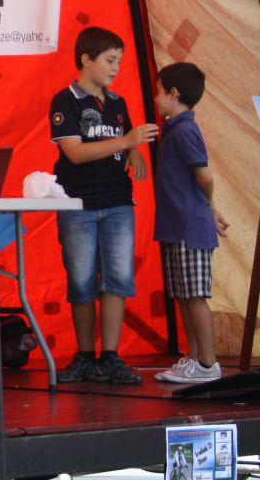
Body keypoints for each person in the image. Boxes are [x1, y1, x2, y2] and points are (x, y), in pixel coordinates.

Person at [49, 26, 158, 385]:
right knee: (81, 281)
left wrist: (134, 151)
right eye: (110, 60)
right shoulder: (64, 100)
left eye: (120, 62)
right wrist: (126, 142)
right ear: (86, 59)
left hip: (118, 202)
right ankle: (84, 356)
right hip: (78, 204)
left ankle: (110, 357)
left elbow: (124, 138)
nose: (116, 68)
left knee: (118, 279)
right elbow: (75, 152)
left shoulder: (117, 103)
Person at [152, 63, 228, 383]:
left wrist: (208, 206)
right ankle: (194, 360)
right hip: (175, 226)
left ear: (174, 94)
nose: (155, 98)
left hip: (189, 228)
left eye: (158, 92)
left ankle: (208, 364)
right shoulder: (172, 129)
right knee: (183, 296)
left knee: (195, 295)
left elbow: (204, 176)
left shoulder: (185, 131)